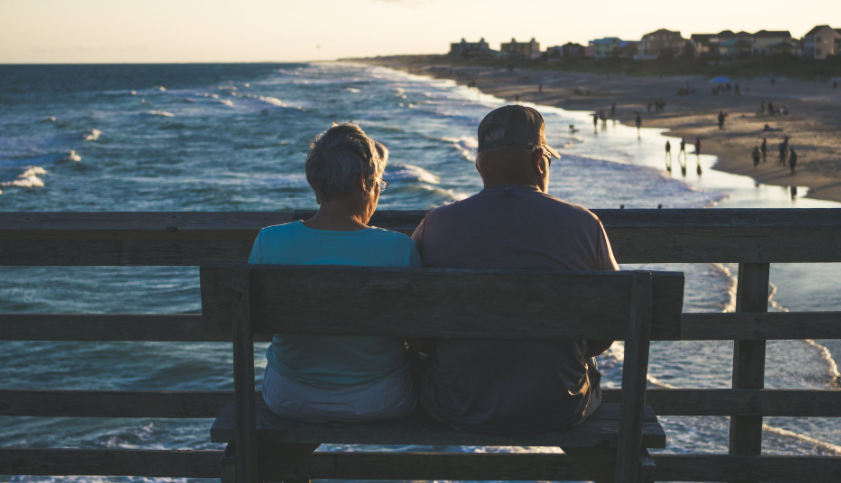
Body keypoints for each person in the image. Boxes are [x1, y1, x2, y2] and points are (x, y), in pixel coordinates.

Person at [411, 105, 618, 433]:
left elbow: (412, 324)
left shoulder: (434, 225)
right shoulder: (584, 224)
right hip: (560, 408)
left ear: (480, 167)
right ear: (539, 162)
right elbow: (614, 318)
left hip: (457, 406)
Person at [249, 123, 419, 423]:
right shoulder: (398, 248)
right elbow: (419, 335)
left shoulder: (268, 240)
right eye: (378, 183)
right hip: (380, 400)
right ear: (362, 183)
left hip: (288, 398)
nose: (378, 192)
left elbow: (259, 325)